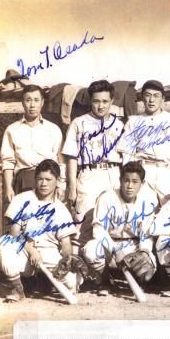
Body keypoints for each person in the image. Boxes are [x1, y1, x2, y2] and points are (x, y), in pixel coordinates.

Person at [0, 160, 78, 302]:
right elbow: (14, 233)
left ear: (57, 181)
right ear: (35, 180)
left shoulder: (61, 208)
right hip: (25, 250)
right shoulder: (21, 199)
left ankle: (43, 280)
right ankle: (17, 289)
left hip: (48, 253)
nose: (43, 183)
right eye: (40, 179)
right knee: (5, 243)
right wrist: (31, 250)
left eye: (48, 179)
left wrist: (66, 262)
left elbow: (66, 244)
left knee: (71, 282)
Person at [62, 80, 124, 247]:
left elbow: (126, 158)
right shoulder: (79, 123)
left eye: (105, 101)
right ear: (91, 101)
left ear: (112, 101)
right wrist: (72, 188)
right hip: (89, 175)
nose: (101, 106)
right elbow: (72, 157)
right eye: (96, 101)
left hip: (114, 174)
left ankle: (108, 270)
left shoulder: (119, 124)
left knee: (111, 223)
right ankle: (80, 272)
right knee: (83, 225)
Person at [82, 161, 159, 295]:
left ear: (142, 183)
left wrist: (144, 251)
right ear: (120, 180)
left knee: (148, 264)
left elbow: (147, 234)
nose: (129, 186)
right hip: (110, 245)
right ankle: (105, 281)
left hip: (133, 245)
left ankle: (137, 280)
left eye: (135, 182)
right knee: (91, 250)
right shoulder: (107, 197)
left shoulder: (147, 201)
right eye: (126, 181)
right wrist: (115, 250)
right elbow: (98, 230)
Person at [118, 80, 170, 202]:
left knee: (168, 212)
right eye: (148, 95)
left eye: (156, 96)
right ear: (142, 98)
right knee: (143, 211)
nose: (151, 100)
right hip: (143, 172)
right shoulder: (133, 122)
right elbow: (127, 154)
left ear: (163, 99)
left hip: (167, 173)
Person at [0, 84, 65, 203]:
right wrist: (8, 187)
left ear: (42, 102)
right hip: (24, 179)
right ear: (23, 103)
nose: (32, 105)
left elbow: (61, 161)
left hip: (49, 179)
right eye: (28, 100)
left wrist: (61, 185)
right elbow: (8, 162)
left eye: (36, 100)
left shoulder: (53, 129)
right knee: (25, 219)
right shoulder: (12, 130)